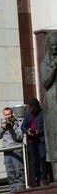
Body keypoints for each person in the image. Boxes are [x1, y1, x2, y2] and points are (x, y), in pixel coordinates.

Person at [40, 30, 57, 182]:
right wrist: (53, 69)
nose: (55, 47)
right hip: (52, 101)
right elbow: (45, 82)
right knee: (54, 136)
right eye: (52, 45)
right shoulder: (45, 63)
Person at [0, 106, 24, 194]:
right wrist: (2, 128)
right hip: (7, 153)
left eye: (9, 114)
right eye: (6, 115)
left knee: (19, 173)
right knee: (10, 175)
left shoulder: (18, 123)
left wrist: (12, 129)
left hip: (16, 151)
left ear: (12, 113)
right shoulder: (4, 124)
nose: (8, 116)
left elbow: (19, 137)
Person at [21, 98, 48, 187]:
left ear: (37, 106)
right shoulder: (28, 114)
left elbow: (47, 127)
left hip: (40, 140)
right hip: (31, 142)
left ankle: (44, 177)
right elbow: (23, 127)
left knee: (43, 157)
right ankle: (37, 178)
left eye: (34, 108)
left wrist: (39, 132)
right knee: (35, 161)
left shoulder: (42, 114)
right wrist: (28, 131)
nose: (32, 110)